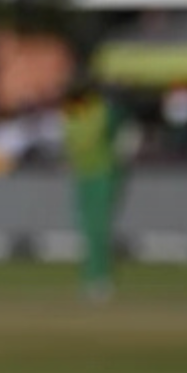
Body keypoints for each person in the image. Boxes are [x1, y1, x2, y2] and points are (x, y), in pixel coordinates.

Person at [60, 75, 132, 302]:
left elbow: (113, 132)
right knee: (89, 228)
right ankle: (91, 278)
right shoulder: (75, 109)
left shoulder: (103, 110)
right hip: (84, 173)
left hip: (104, 172)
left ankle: (100, 280)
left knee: (98, 228)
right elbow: (73, 138)